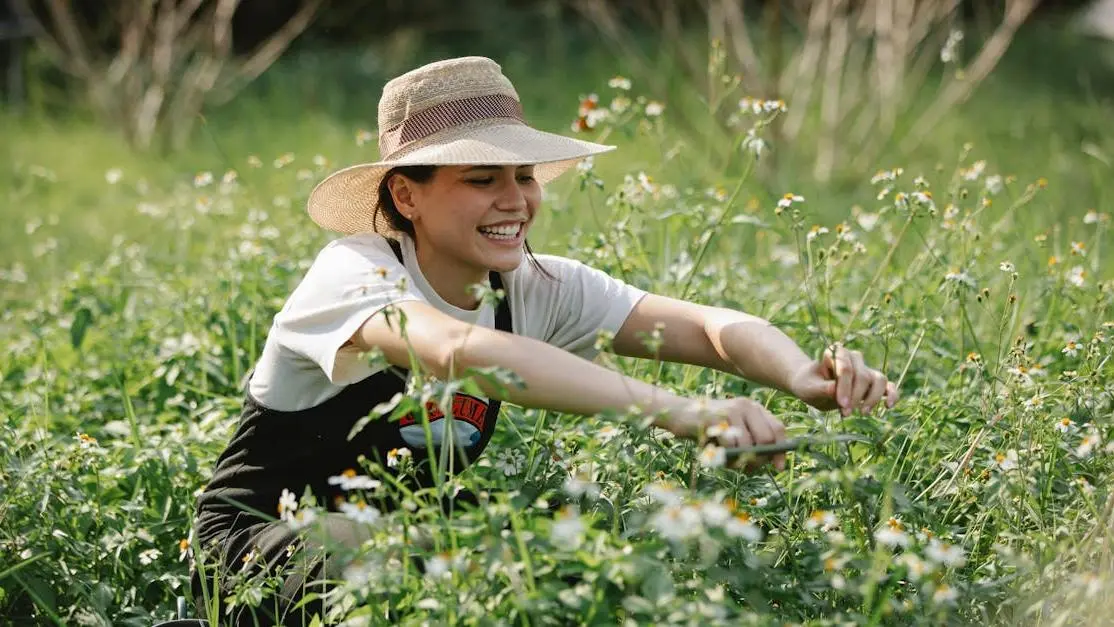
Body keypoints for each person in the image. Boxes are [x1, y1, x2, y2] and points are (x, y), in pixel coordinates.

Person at [189, 56, 899, 625]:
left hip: (413, 545)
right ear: (406, 196)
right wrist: (681, 412)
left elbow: (712, 328)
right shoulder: (354, 272)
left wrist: (802, 373)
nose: (515, 200)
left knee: (561, 564)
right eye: (481, 178)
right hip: (258, 546)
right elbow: (458, 352)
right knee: (399, 561)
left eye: (524, 176)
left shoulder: (530, 285)